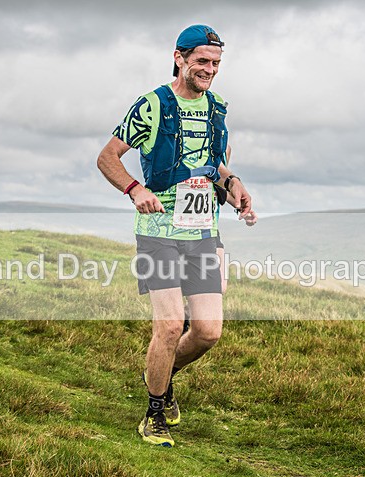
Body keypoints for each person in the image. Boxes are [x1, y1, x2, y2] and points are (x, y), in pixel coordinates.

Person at [97, 24, 254, 447]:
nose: (209, 70)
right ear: (179, 58)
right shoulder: (152, 105)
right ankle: (153, 414)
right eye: (202, 61)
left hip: (202, 233)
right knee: (169, 325)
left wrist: (234, 186)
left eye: (216, 63)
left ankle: (162, 376)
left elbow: (216, 165)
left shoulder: (218, 108)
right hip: (158, 233)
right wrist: (135, 189)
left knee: (207, 331)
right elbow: (107, 157)